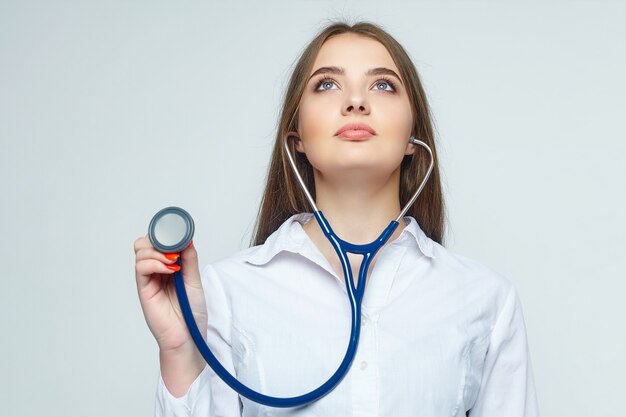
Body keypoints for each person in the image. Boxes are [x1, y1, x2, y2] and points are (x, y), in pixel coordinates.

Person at [133, 20, 540, 417]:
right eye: (327, 84)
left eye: (383, 85)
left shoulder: (485, 300)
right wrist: (181, 355)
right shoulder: (224, 293)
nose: (356, 102)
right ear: (297, 141)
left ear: (413, 140)